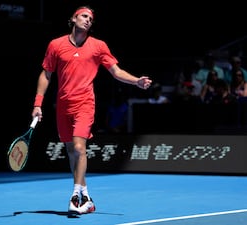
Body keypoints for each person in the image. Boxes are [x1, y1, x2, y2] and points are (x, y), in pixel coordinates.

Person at [31, 5, 152, 214]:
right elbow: (46, 75)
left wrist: (136, 82)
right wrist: (37, 103)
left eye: (90, 18)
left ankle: (76, 196)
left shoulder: (98, 46)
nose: (88, 20)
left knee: (79, 148)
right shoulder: (56, 45)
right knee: (71, 151)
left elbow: (116, 71)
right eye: (84, 16)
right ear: (73, 18)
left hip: (85, 104)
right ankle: (86, 197)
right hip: (63, 105)